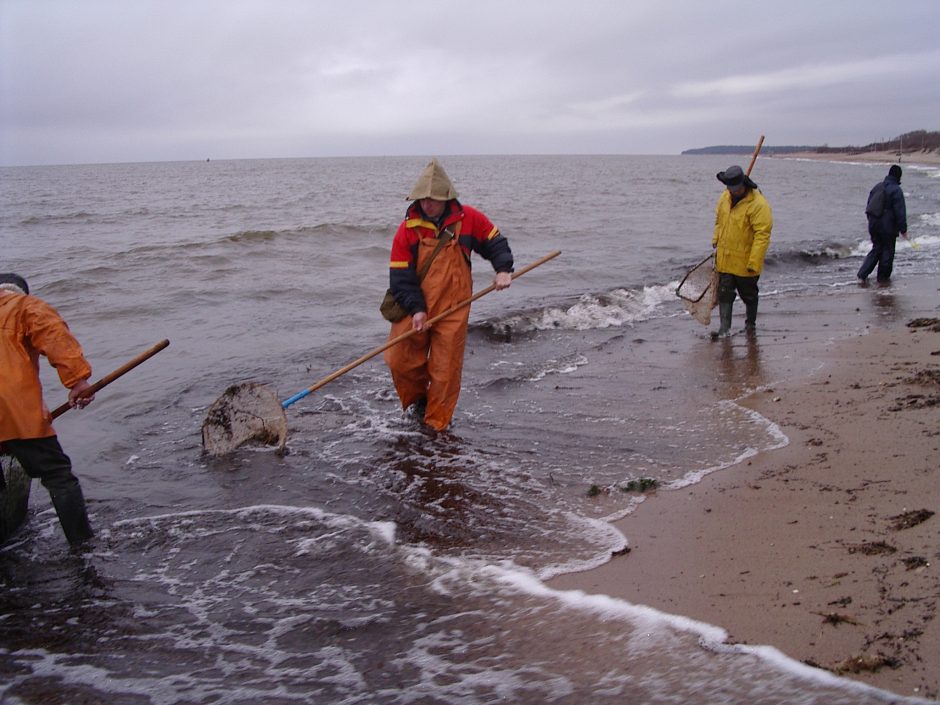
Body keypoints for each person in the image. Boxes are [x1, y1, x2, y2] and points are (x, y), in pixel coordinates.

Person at [383, 159, 514, 431]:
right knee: (399, 360)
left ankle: (436, 427)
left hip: (454, 307)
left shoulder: (469, 219)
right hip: (414, 306)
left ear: (446, 197)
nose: (426, 204)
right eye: (422, 199)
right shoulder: (407, 229)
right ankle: (419, 401)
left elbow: (495, 242)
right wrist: (417, 309)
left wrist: (503, 270)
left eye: (432, 199)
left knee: (445, 371)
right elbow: (400, 277)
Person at [0, 272, 96, 545]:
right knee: (57, 474)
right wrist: (77, 380)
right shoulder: (25, 306)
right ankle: (82, 546)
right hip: (13, 411)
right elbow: (53, 335)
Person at [711, 165, 773, 338]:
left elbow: (763, 235)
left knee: (749, 295)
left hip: (746, 262)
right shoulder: (725, 197)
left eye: (735, 188)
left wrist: (754, 262)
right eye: (728, 188)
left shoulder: (758, 204)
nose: (731, 191)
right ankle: (724, 329)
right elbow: (719, 220)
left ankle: (750, 324)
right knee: (724, 294)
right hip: (725, 258)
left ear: (743, 185)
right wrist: (715, 239)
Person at [857, 164, 908, 284]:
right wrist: (903, 229)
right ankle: (883, 279)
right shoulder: (896, 190)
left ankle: (862, 274)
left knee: (876, 249)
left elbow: (869, 205)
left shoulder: (877, 187)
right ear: (899, 177)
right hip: (887, 227)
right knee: (887, 251)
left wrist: (872, 221)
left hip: (873, 224)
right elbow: (900, 211)